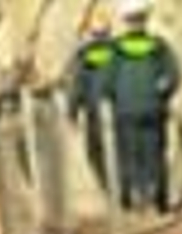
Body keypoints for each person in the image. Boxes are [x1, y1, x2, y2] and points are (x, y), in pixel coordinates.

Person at [109, 0, 179, 212]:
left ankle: (131, 201)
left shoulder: (116, 48)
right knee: (154, 155)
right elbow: (173, 75)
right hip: (152, 110)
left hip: (126, 112)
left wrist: (112, 97)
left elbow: (106, 81)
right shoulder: (159, 45)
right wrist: (163, 90)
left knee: (129, 156)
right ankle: (158, 202)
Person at [65, 7, 116, 192]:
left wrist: (72, 114)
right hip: (121, 112)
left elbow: (76, 86)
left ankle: (109, 191)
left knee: (96, 156)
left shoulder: (84, 54)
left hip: (95, 115)